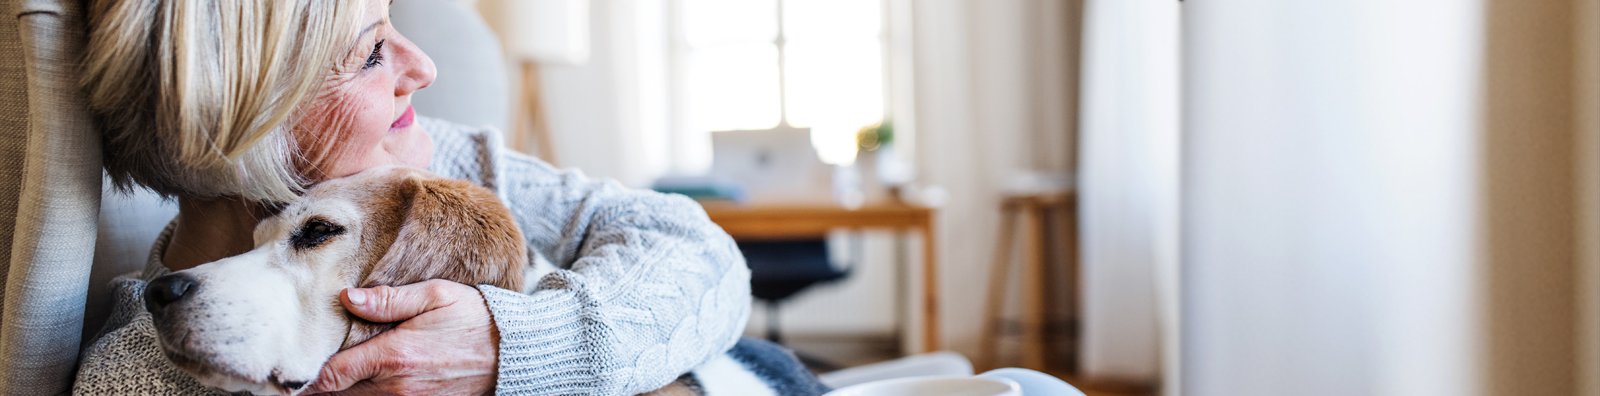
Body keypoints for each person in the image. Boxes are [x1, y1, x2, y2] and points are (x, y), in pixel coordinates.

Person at [70, 0, 752, 394]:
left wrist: (513, 343)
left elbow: (694, 248)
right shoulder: (133, 373)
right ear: (247, 120)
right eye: (371, 54)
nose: (423, 67)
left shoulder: (430, 155)